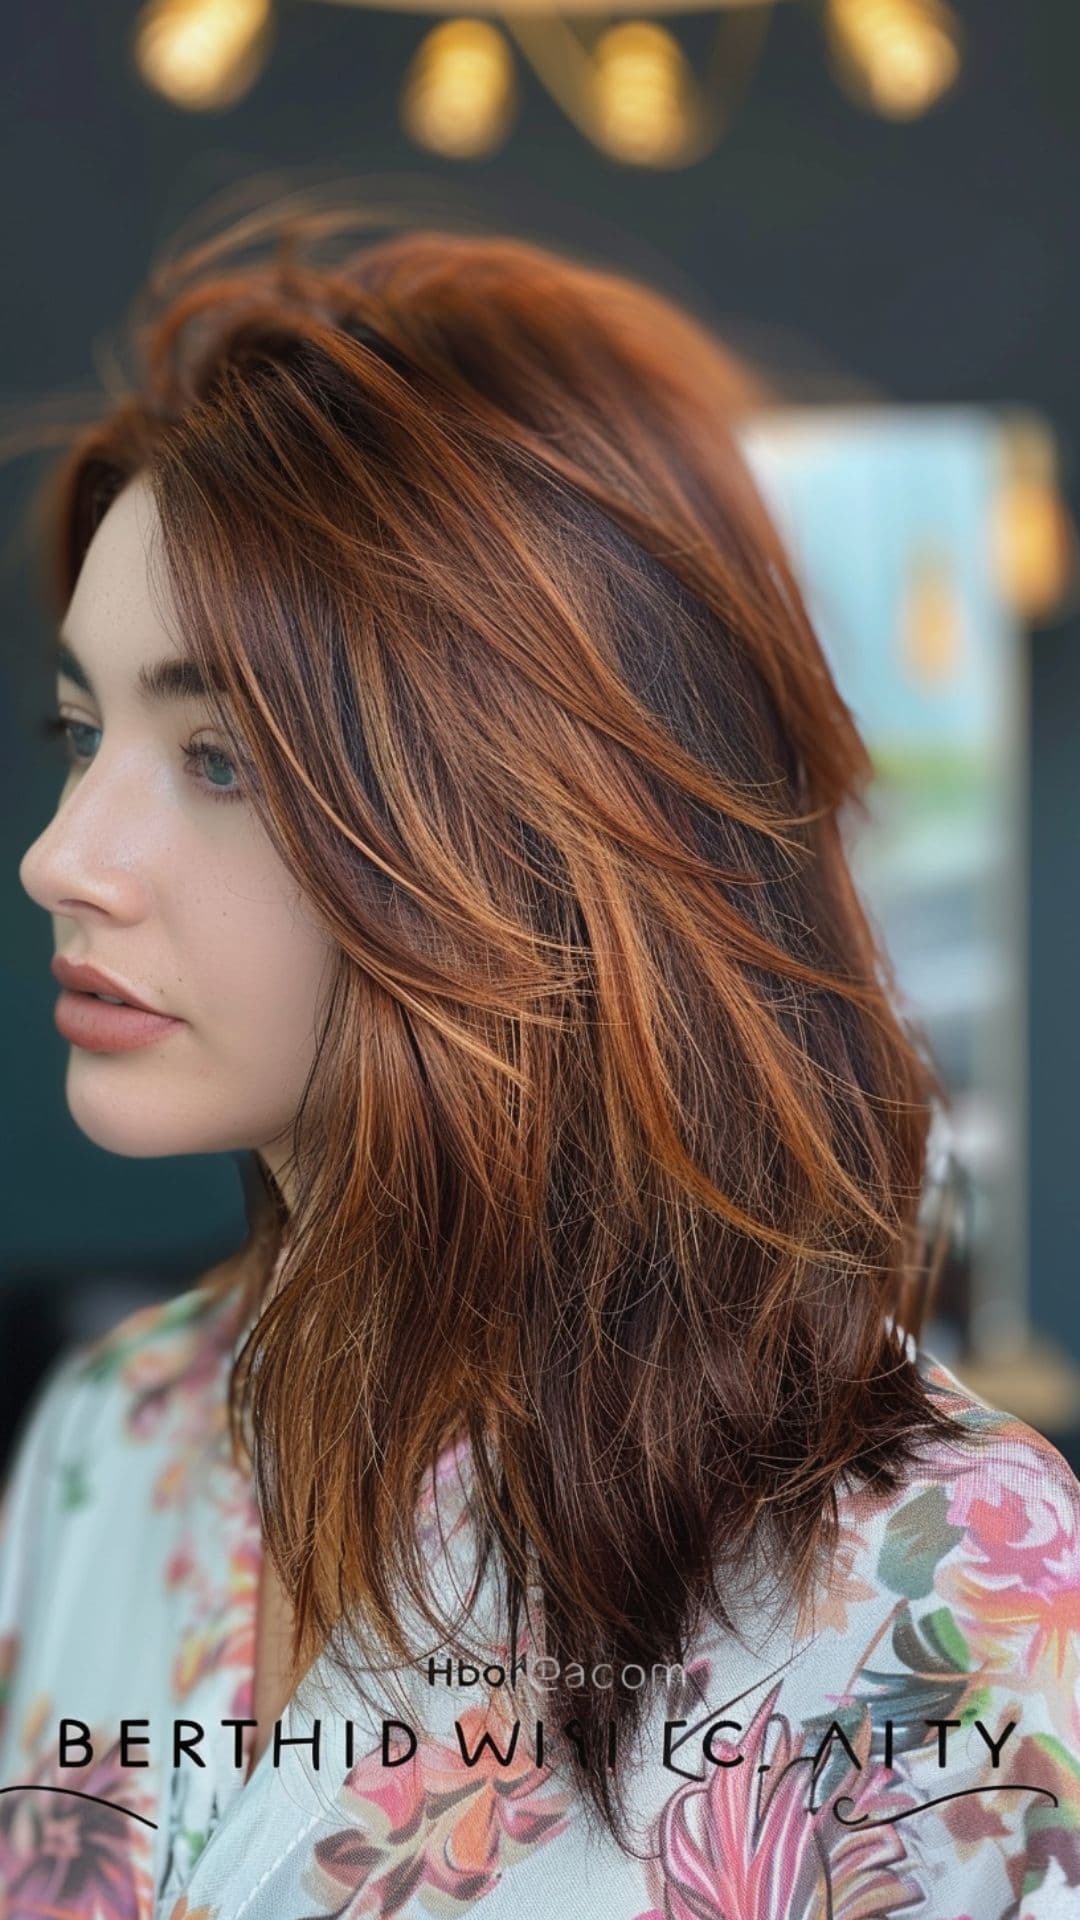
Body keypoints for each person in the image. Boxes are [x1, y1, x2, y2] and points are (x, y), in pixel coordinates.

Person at [2, 203, 1078, 1920]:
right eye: (83, 730)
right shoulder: (107, 1443)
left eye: (219, 757)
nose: (65, 853)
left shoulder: (932, 1583)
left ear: (532, 831)